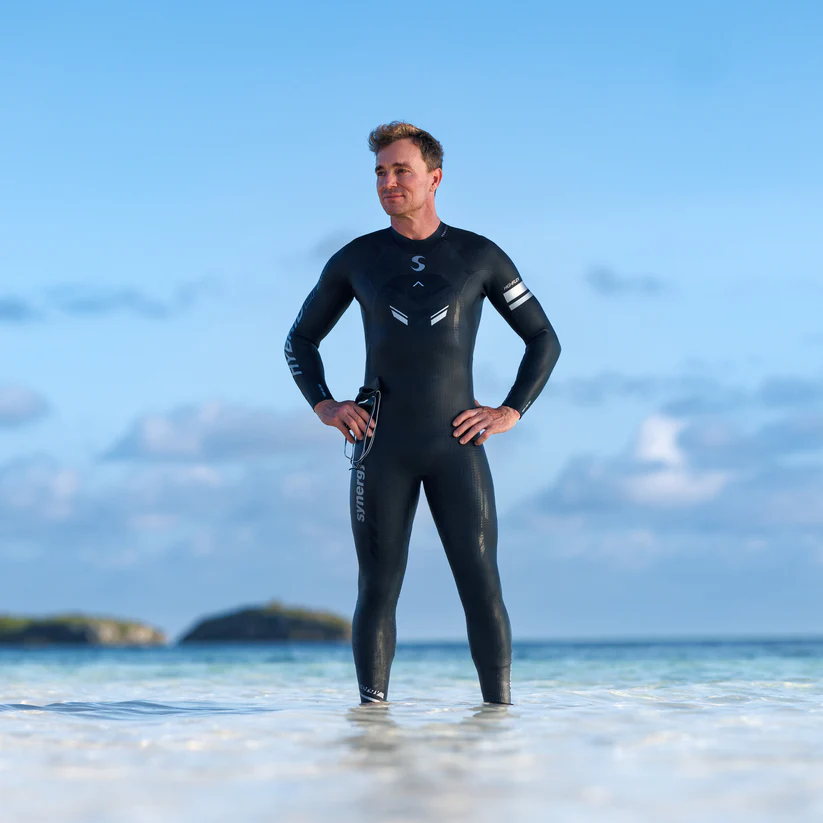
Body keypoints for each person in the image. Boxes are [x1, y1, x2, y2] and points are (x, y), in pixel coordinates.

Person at [285, 122, 560, 705]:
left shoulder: (478, 256)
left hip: (455, 445)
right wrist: (326, 405)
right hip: (380, 446)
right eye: (380, 173)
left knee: (481, 586)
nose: (389, 182)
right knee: (377, 589)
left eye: (400, 170)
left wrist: (510, 411)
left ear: (434, 178)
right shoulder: (357, 259)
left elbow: (543, 339)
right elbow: (299, 341)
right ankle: (372, 728)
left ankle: (499, 723)